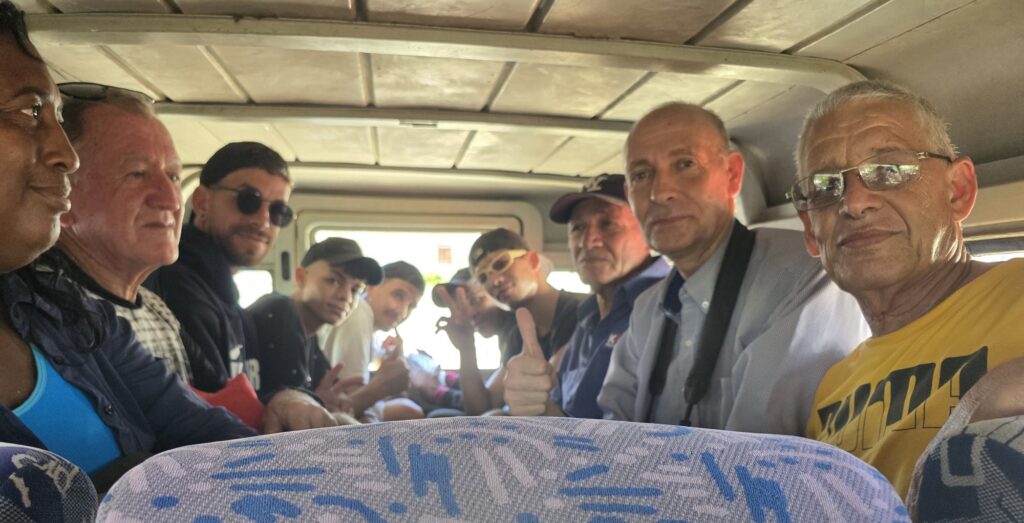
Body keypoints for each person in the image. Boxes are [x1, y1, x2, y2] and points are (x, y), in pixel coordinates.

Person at [0, 0, 255, 489]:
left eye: (174, 177)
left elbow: (212, 435)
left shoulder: (68, 313)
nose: (66, 158)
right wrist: (127, 485)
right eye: (30, 111)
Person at [793, 80, 1024, 495]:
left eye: (889, 171)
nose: (854, 203)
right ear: (811, 231)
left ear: (958, 191)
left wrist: (996, 392)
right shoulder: (831, 390)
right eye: (825, 186)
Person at [597, 102, 868, 435]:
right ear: (630, 195)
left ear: (732, 175)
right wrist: (543, 408)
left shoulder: (802, 277)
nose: (660, 192)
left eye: (685, 164)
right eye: (641, 175)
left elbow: (762, 452)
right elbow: (607, 438)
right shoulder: (646, 310)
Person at [147, 141, 338, 431]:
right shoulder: (175, 286)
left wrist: (292, 399)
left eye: (278, 211)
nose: (263, 220)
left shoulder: (229, 304)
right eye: (248, 200)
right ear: (202, 202)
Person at [51, 82, 226, 389]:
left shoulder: (155, 308)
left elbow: (221, 397)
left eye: (173, 176)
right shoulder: (49, 315)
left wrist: (287, 397)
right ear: (63, 197)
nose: (171, 201)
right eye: (137, 174)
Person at [504, 174, 670, 418]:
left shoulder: (671, 304)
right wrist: (536, 405)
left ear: (648, 232)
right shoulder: (586, 317)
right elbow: (566, 421)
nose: (587, 242)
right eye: (578, 228)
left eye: (607, 224)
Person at [440, 229, 586, 414]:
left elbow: (546, 394)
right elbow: (482, 408)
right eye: (483, 277)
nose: (493, 281)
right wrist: (466, 347)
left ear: (533, 261)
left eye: (501, 264)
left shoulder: (581, 313)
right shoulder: (517, 335)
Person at [247, 238, 382, 416]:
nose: (346, 297)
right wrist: (379, 388)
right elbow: (290, 418)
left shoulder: (310, 336)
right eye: (333, 280)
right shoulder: (279, 313)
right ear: (301, 277)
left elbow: (329, 397)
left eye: (355, 289)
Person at [321, 261, 425, 421]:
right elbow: (349, 405)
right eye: (398, 296)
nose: (403, 312)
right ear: (370, 288)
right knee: (411, 411)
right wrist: (383, 386)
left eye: (411, 306)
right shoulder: (359, 312)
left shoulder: (370, 325)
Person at [424, 268, 514, 415]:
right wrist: (465, 347)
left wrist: (441, 393)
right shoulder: (506, 335)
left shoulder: (517, 330)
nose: (470, 313)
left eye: (475, 300)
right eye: (461, 307)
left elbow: (483, 409)